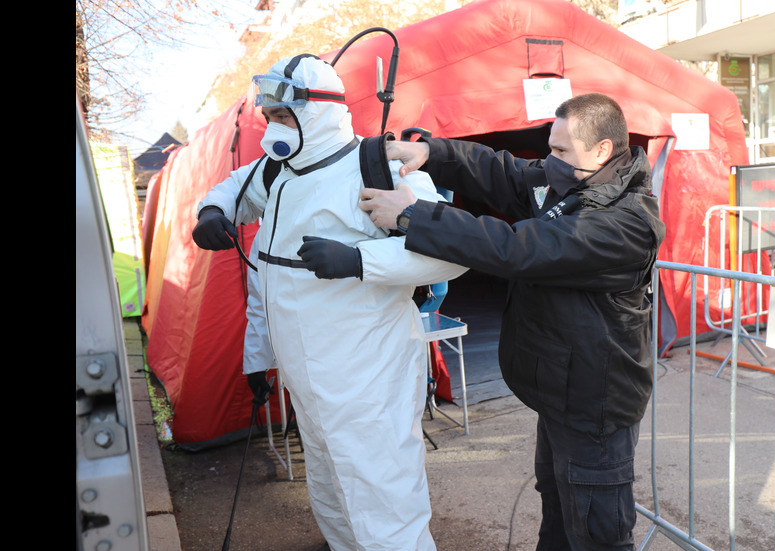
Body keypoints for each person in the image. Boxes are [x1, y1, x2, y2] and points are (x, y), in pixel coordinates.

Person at [359, 93, 666, 550]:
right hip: (561, 393)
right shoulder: (574, 180)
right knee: (559, 509)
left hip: (595, 404)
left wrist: (413, 216)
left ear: (602, 150)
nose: (549, 161)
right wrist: (433, 153)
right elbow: (505, 172)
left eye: (561, 151)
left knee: (597, 530)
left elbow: (516, 247)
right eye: (551, 147)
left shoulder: (626, 223)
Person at [191, 54, 466, 550]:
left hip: (367, 377)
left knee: (382, 496)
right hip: (307, 376)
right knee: (331, 489)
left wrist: (358, 261)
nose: (273, 129)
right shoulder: (276, 171)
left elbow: (451, 255)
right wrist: (214, 210)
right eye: (269, 118)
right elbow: (238, 192)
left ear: (317, 111)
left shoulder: (378, 166)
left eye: (284, 118)